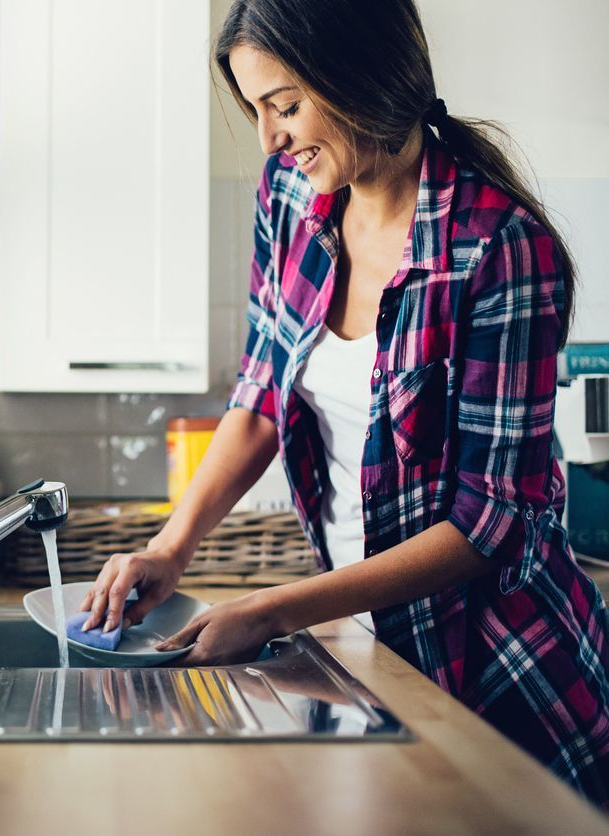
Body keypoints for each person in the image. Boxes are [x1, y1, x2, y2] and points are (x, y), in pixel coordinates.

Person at [77, 0, 609, 808]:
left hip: (506, 671)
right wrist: (171, 550)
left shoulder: (500, 247)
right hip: (368, 648)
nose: (270, 138)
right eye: (256, 111)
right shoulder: (289, 200)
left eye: (284, 105)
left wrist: (270, 611)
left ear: (360, 76)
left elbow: (488, 524)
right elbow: (260, 394)